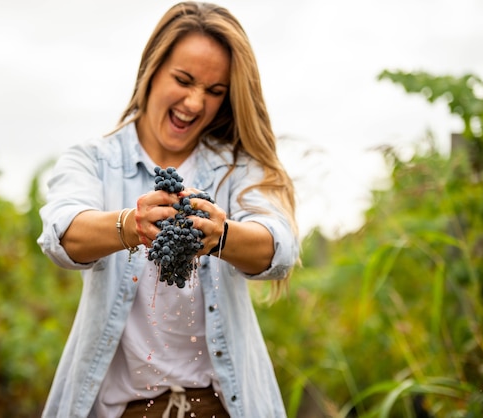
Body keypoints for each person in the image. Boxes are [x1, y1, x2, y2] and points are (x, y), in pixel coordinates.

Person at [37, 2, 300, 417]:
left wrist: (222, 236)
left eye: (215, 92)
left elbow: (280, 249)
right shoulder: (93, 160)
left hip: (219, 406)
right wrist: (130, 226)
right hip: (123, 409)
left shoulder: (236, 168)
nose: (195, 103)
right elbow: (60, 234)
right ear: (151, 70)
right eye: (184, 80)